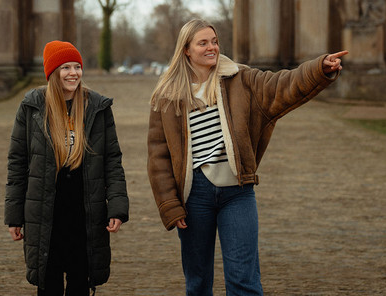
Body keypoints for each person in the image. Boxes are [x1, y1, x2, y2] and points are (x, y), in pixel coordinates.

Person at [147, 19, 347, 296]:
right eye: (203, 43)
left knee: (244, 281)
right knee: (198, 283)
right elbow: (158, 155)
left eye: (214, 41)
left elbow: (283, 83)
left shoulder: (241, 78)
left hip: (237, 192)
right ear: (186, 51)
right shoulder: (166, 95)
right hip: (194, 197)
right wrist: (170, 204)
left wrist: (318, 68)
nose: (211, 47)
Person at [4, 40, 129, 296]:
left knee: (79, 282)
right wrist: (14, 216)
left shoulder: (98, 107)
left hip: (85, 210)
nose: (73, 73)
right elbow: (17, 164)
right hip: (44, 210)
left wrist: (116, 207)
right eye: (65, 68)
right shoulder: (32, 107)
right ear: (52, 73)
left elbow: (112, 162)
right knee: (48, 282)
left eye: (77, 66)